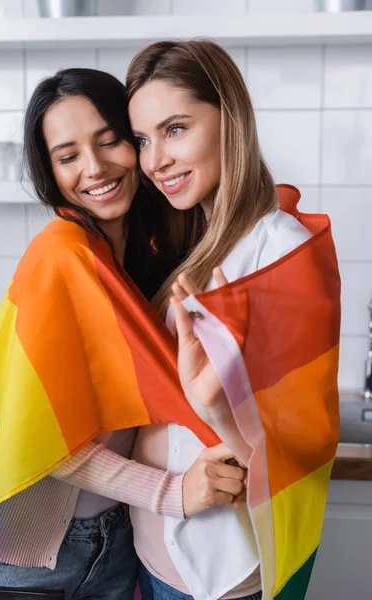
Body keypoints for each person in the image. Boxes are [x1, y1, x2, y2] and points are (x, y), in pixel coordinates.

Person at [0, 68, 246, 599]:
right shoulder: (60, 254)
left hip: (118, 541)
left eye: (110, 140)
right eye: (68, 155)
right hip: (32, 556)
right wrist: (175, 493)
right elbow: (51, 439)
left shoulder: (140, 259)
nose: (95, 168)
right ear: (50, 172)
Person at [127, 40, 315, 600]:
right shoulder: (194, 239)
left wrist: (214, 410)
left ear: (230, 118)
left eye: (175, 129)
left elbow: (296, 452)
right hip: (157, 558)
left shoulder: (280, 249)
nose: (154, 159)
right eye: (142, 139)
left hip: (218, 576)